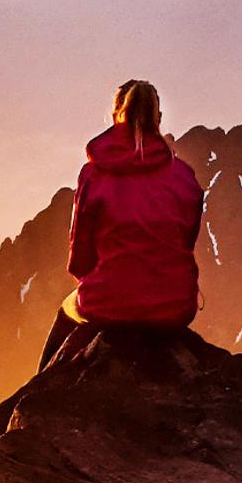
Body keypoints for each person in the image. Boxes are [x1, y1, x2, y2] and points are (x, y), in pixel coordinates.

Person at [39, 79, 205, 370]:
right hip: (174, 306)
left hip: (108, 303)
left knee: (65, 314)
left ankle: (41, 383)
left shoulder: (94, 174)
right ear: (158, 118)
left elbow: (80, 260)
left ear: (116, 114)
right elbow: (186, 241)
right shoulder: (184, 177)